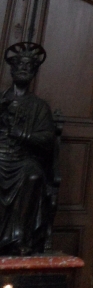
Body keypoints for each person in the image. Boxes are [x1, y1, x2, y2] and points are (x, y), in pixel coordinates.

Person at [0, 42, 56, 256]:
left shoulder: (40, 106)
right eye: (20, 66)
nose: (23, 70)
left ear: (33, 73)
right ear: (12, 70)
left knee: (33, 175)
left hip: (23, 158)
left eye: (28, 67)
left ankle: (19, 237)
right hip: (1, 155)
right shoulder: (2, 100)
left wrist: (23, 135)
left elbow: (47, 138)